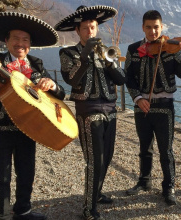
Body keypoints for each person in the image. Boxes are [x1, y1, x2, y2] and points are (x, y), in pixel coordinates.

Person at [0, 12, 65, 220]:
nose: (20, 43)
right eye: (16, 39)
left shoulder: (36, 64)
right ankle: (1, 215)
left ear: (30, 44)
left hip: (30, 126)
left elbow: (61, 94)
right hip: (0, 126)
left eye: (25, 39)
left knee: (27, 172)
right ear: (6, 41)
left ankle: (23, 210)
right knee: (1, 174)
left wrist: (51, 85)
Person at [54, 5, 126, 220]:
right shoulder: (67, 52)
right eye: (85, 28)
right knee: (95, 159)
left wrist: (108, 61)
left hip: (111, 110)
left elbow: (121, 79)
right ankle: (88, 207)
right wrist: (84, 57)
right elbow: (71, 80)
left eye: (93, 27)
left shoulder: (107, 51)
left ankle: (97, 192)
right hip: (88, 110)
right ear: (78, 31)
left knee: (107, 156)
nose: (90, 32)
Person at [124, 10, 181, 205]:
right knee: (144, 148)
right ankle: (144, 181)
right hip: (142, 105)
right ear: (143, 28)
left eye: (156, 27)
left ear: (162, 27)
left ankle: (168, 186)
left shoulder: (173, 48)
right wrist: (137, 98)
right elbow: (128, 78)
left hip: (164, 106)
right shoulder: (133, 49)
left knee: (166, 149)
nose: (153, 31)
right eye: (149, 27)